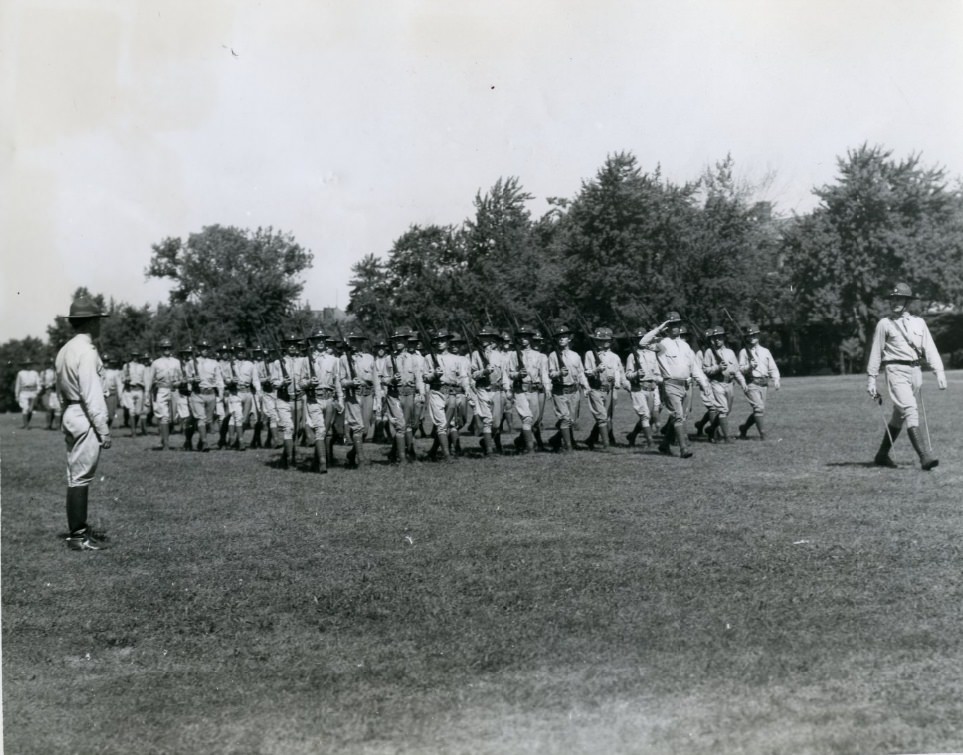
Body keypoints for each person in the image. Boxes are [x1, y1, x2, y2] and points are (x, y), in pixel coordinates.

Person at [867, 282, 947, 470]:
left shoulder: (919, 323)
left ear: (907, 302)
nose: (895, 302)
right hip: (895, 371)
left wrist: (939, 371)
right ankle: (925, 457)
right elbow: (876, 353)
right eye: (893, 298)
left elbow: (930, 348)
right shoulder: (884, 324)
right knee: (910, 409)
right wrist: (871, 379)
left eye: (899, 298)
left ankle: (881, 455)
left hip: (915, 373)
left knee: (899, 416)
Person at [55, 297, 112, 551]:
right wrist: (103, 429)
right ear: (90, 321)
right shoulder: (86, 352)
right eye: (98, 319)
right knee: (80, 477)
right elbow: (92, 394)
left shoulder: (65, 349)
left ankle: (79, 529)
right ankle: (78, 536)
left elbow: (59, 389)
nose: (100, 324)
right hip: (84, 413)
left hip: (70, 410)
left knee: (75, 475)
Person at [639, 312, 712, 458]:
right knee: (678, 417)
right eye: (671, 325)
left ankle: (664, 445)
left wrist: (703, 383)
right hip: (670, 385)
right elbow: (642, 343)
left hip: (685, 385)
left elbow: (694, 366)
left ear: (680, 326)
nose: (674, 328)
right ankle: (683, 448)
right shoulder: (662, 344)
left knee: (679, 417)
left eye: (677, 324)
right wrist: (659, 328)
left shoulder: (685, 346)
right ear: (667, 326)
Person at [506, 324, 552, 453]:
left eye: (526, 337)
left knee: (535, 419)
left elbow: (544, 373)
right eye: (520, 337)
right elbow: (510, 373)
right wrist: (518, 375)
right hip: (520, 389)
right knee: (527, 418)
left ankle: (520, 441)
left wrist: (547, 388)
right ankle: (530, 448)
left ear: (531, 338)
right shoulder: (513, 355)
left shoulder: (540, 356)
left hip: (535, 390)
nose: (523, 340)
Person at [699, 326, 747, 443]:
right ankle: (726, 437)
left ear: (724, 338)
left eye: (720, 337)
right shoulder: (709, 352)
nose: (717, 340)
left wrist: (742, 382)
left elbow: (736, 370)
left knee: (727, 411)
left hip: (729, 383)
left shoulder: (730, 352)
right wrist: (718, 368)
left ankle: (711, 429)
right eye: (715, 338)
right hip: (717, 383)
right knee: (723, 410)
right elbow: (705, 369)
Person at [547, 324, 590, 452]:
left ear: (569, 339)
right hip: (560, 390)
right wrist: (559, 373)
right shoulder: (553, 356)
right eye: (559, 337)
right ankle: (568, 447)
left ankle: (557, 440)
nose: (561, 339)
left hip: (574, 390)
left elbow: (581, 372)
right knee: (565, 418)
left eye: (564, 337)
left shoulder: (575, 355)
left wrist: (586, 386)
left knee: (572, 420)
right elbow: (551, 373)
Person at [582, 327, 626, 450]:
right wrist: (596, 370)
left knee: (606, 417)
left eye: (606, 340)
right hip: (595, 388)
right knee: (601, 416)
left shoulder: (614, 357)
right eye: (599, 340)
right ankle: (606, 444)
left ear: (611, 341)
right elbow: (587, 371)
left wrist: (619, 382)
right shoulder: (589, 354)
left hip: (609, 390)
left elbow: (619, 371)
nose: (603, 343)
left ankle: (590, 439)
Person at [737, 324, 781, 440]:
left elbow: (772, 367)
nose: (752, 337)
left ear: (758, 336)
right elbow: (740, 369)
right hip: (751, 382)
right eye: (749, 336)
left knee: (759, 409)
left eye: (754, 335)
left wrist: (776, 379)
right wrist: (750, 367)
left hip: (764, 383)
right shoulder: (743, 352)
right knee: (759, 408)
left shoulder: (765, 351)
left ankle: (744, 428)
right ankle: (763, 434)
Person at [624, 328, 663, 448]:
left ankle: (633, 435)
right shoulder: (632, 355)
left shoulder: (652, 354)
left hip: (652, 388)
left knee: (649, 415)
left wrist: (659, 379)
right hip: (639, 388)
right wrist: (636, 374)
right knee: (645, 415)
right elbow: (628, 374)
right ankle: (650, 441)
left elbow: (657, 372)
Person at [145, 337, 183, 450]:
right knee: (164, 416)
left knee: (173, 417)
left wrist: (178, 383)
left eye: (168, 347)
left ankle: (164, 439)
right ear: (161, 349)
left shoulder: (176, 362)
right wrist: (147, 395)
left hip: (174, 390)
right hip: (161, 390)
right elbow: (150, 380)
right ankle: (166, 444)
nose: (167, 349)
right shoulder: (156, 363)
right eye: (164, 348)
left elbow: (181, 377)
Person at [121, 349, 148, 437]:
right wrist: (126, 380)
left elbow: (145, 379)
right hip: (129, 389)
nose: (135, 358)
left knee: (138, 412)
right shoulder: (126, 366)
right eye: (133, 356)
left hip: (139, 389)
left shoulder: (142, 367)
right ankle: (133, 432)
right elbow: (122, 378)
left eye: (136, 356)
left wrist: (145, 389)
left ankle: (135, 426)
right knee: (131, 411)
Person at [14, 359, 41, 429]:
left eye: (29, 364)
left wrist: (38, 391)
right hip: (24, 392)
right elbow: (18, 384)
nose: (28, 366)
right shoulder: (20, 373)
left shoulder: (35, 373)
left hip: (33, 392)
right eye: (26, 364)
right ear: (24, 365)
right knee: (25, 408)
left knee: (30, 410)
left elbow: (39, 383)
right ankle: (26, 425)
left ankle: (27, 423)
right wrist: (17, 395)